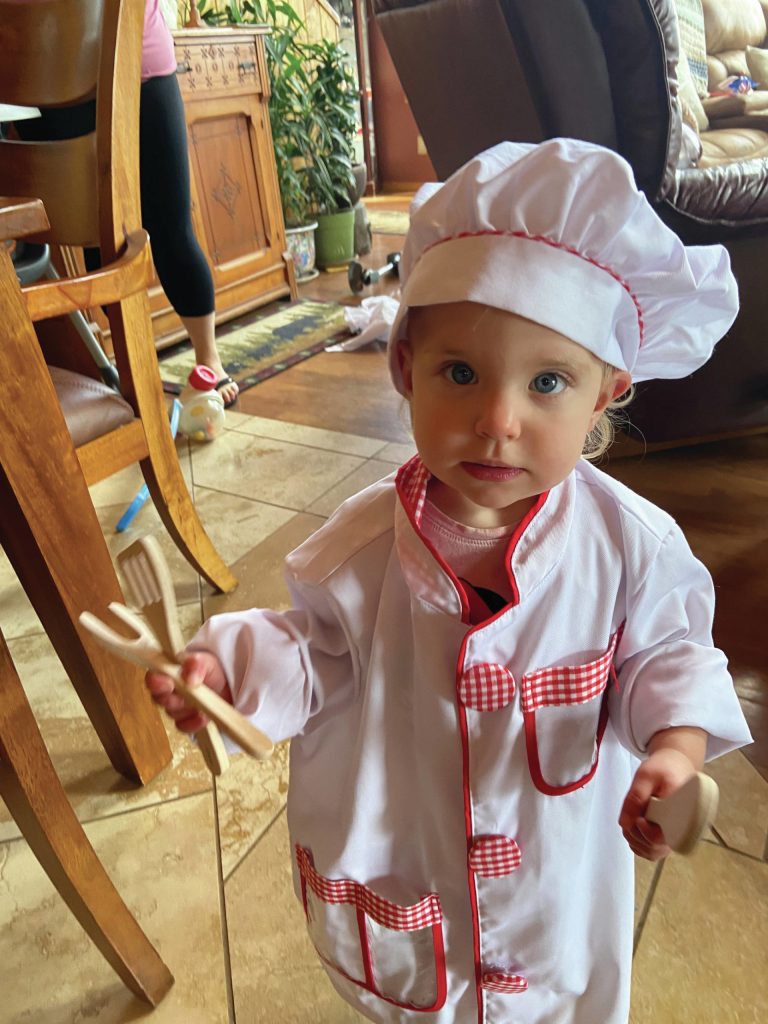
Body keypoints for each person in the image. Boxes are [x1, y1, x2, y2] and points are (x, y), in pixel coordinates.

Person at [146, 138, 751, 1023]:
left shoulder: (634, 547)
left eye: (548, 381)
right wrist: (234, 672)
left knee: (568, 1001)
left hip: (558, 888)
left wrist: (675, 748)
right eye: (459, 373)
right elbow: (312, 654)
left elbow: (671, 654)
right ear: (405, 372)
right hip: (414, 865)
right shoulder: (359, 549)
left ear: (606, 393)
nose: (497, 420)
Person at [17, 0, 238, 407]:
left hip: (141, 65)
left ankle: (209, 359)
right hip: (50, 71)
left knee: (171, 230)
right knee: (97, 240)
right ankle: (132, 368)